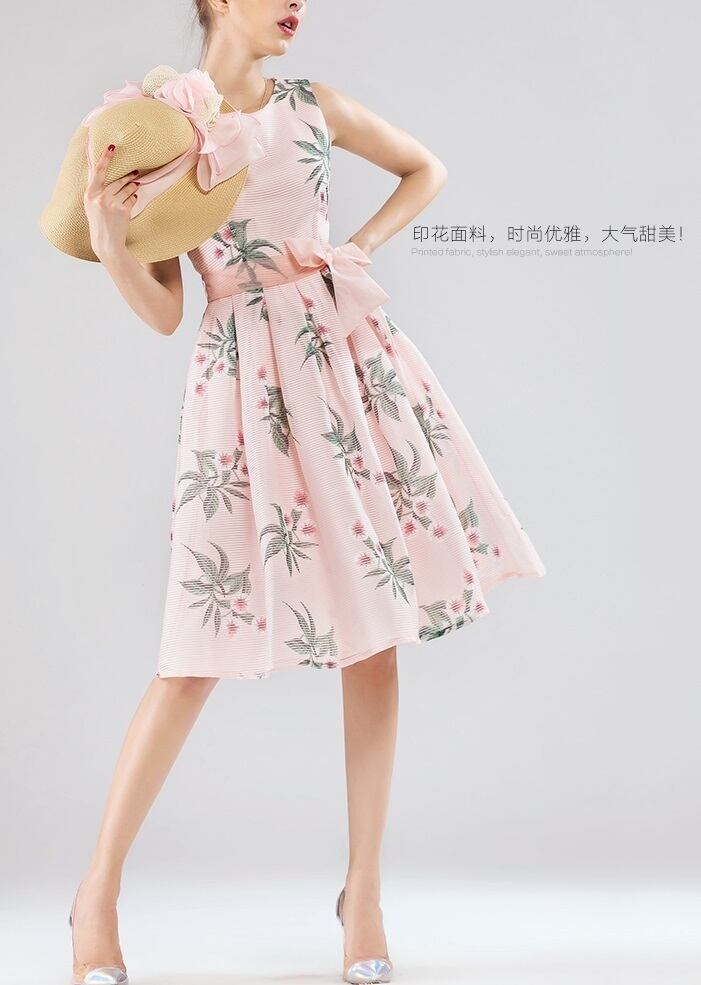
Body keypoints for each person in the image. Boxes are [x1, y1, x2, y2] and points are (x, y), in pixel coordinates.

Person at [67, 2, 547, 983]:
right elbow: (164, 311)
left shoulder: (311, 104)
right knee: (191, 654)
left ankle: (362, 893)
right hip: (242, 385)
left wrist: (351, 247)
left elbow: (425, 167)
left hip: (344, 362)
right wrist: (113, 244)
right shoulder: (159, 131)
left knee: (373, 636)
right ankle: (96, 895)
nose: (297, 2)